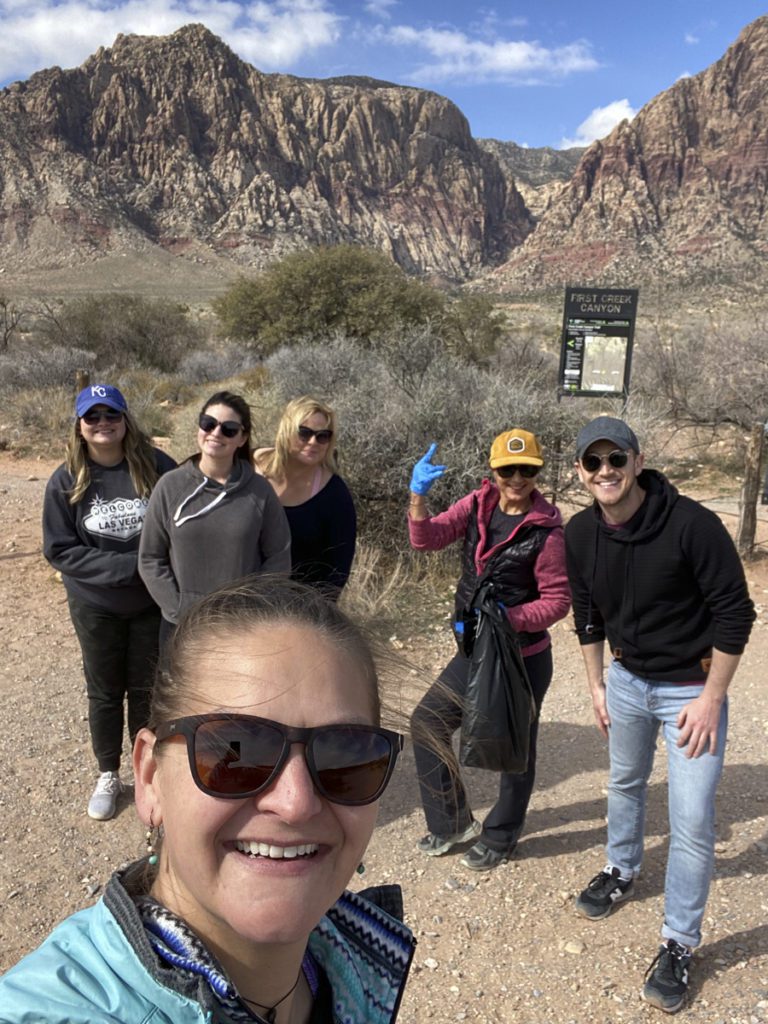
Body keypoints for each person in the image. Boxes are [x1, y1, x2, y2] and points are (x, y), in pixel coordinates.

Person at [0, 576, 414, 1022]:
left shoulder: (357, 956)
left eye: (345, 755)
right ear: (150, 777)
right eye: (234, 753)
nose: (296, 803)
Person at [565, 415, 755, 1014]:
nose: (605, 472)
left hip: (689, 690)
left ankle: (679, 941)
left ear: (637, 462)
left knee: (692, 817)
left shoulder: (692, 526)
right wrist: (597, 684)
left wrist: (710, 698)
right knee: (623, 781)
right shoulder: (579, 533)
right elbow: (587, 612)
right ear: (579, 471)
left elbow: (736, 615)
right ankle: (621, 867)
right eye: (592, 463)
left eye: (615, 460)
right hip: (624, 681)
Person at [408, 429, 571, 872]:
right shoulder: (477, 505)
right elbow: (426, 539)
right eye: (507, 469)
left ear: (538, 472)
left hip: (523, 657)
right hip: (476, 648)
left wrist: (508, 619)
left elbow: (557, 600)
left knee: (514, 747)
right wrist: (417, 497)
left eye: (527, 470)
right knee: (427, 721)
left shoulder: (547, 531)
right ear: (492, 470)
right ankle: (451, 822)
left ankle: (501, 836)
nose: (516, 478)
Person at [42, 383, 177, 821]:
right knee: (104, 691)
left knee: (145, 688)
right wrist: (132, 569)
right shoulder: (66, 479)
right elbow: (59, 549)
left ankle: (146, 772)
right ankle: (107, 773)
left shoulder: (156, 467)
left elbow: (183, 514)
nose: (103, 424)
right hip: (95, 605)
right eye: (93, 417)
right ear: (80, 426)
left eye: (111, 415)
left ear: (125, 420)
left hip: (150, 602)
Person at [139, 390, 291, 644]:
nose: (216, 433)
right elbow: (150, 557)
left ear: (242, 438)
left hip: (241, 627)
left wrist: (252, 606)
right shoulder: (170, 486)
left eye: (229, 429)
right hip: (182, 627)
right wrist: (179, 608)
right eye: (208, 423)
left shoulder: (259, 491)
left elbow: (279, 557)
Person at [254, 396, 356, 598]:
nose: (313, 442)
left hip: (297, 608)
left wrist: (315, 615)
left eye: (322, 436)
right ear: (286, 432)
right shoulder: (250, 467)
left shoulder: (334, 494)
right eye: (304, 433)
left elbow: (338, 570)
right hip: (240, 601)